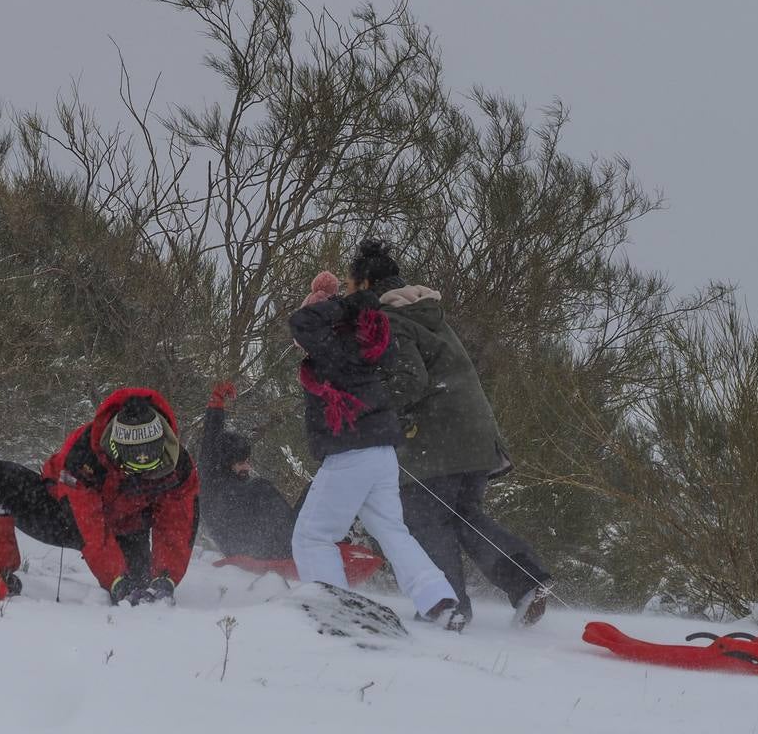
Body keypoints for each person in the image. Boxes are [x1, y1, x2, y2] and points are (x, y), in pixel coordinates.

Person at [347, 241, 554, 626]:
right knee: (464, 515)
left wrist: (366, 405)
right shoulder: (430, 315)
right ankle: (526, 581)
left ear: (366, 285)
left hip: (436, 442)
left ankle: (447, 605)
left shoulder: (390, 320)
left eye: (352, 287)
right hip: (475, 436)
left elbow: (409, 381)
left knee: (427, 519)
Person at [288, 272, 468, 631]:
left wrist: (340, 304)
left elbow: (300, 321)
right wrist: (351, 309)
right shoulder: (363, 342)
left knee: (313, 535)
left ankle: (332, 608)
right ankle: (440, 600)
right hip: (381, 452)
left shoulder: (331, 344)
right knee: (392, 531)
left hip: (351, 453)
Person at [0, 388, 200, 605]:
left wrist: (165, 577)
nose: (140, 472)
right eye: (131, 465)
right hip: (64, 515)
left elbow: (176, 527)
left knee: (142, 591)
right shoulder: (84, 454)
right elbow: (87, 524)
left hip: (126, 531)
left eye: (149, 465)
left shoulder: (180, 467)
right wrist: (115, 577)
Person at [197, 380, 299, 560]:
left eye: (247, 461)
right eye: (241, 462)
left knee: (315, 488)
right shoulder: (213, 480)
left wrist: (218, 401)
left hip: (265, 541)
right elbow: (210, 439)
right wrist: (216, 403)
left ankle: (314, 536)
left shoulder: (241, 486)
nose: (247, 467)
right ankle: (300, 542)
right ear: (226, 463)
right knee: (261, 487)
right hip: (243, 546)